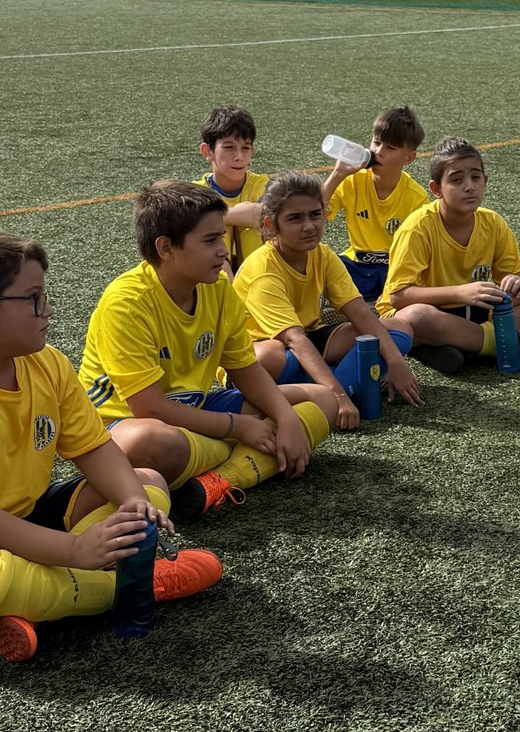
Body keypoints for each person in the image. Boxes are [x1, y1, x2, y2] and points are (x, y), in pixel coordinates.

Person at [0, 229, 224, 663]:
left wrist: (133, 503)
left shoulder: (46, 362)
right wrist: (76, 551)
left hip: (22, 514)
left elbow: (93, 448)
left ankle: (12, 605)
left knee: (144, 483)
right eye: (34, 298)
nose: (47, 310)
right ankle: (131, 585)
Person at [77, 180, 333, 523]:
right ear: (166, 248)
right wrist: (239, 428)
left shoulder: (218, 288)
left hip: (195, 412)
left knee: (322, 401)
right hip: (125, 424)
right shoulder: (126, 303)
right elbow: (148, 407)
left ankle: (217, 482)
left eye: (222, 238)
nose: (223, 251)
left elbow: (244, 368)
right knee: (147, 442)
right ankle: (241, 459)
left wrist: (285, 418)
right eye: (211, 240)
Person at [235, 173, 421, 430]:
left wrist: (396, 362)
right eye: (295, 218)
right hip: (270, 350)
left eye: (315, 214)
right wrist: (338, 396)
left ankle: (322, 389)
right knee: (268, 356)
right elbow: (293, 339)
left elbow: (359, 312)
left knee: (398, 328)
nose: (309, 225)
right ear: (270, 225)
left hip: (312, 339)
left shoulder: (323, 254)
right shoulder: (263, 269)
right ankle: (344, 387)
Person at [379, 137, 520, 373]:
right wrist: (461, 292)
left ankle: (458, 345)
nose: (469, 186)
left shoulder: (492, 222)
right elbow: (399, 297)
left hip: (476, 311)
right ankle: (516, 346)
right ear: (436, 189)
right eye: (456, 180)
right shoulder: (418, 228)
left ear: (485, 181)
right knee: (418, 317)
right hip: (427, 310)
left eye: (475, 177)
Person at [322, 105, 429, 303]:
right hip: (358, 265)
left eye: (390, 148)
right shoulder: (352, 181)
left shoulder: (416, 197)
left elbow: (419, 253)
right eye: (376, 142)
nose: (378, 152)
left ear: (409, 158)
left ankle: (369, 310)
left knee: (415, 286)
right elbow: (314, 213)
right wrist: (337, 174)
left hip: (395, 270)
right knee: (320, 261)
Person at [193, 105, 269, 273]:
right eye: (229, 147)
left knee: (252, 228)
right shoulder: (198, 191)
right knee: (217, 231)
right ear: (207, 151)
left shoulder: (260, 184)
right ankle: (227, 292)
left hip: (254, 267)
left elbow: (269, 214)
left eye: (245, 148)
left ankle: (254, 284)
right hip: (216, 270)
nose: (239, 157)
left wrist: (213, 216)